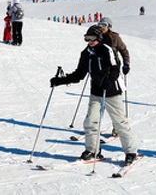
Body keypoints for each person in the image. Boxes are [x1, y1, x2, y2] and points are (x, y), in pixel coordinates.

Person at [50, 25, 138, 164]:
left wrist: (109, 81)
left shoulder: (107, 50)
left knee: (120, 122)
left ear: (99, 38)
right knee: (90, 122)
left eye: (93, 38)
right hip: (96, 92)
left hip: (112, 92)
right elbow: (79, 74)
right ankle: (92, 150)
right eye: (87, 38)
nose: (90, 41)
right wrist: (60, 81)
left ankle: (131, 152)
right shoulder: (86, 54)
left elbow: (115, 69)